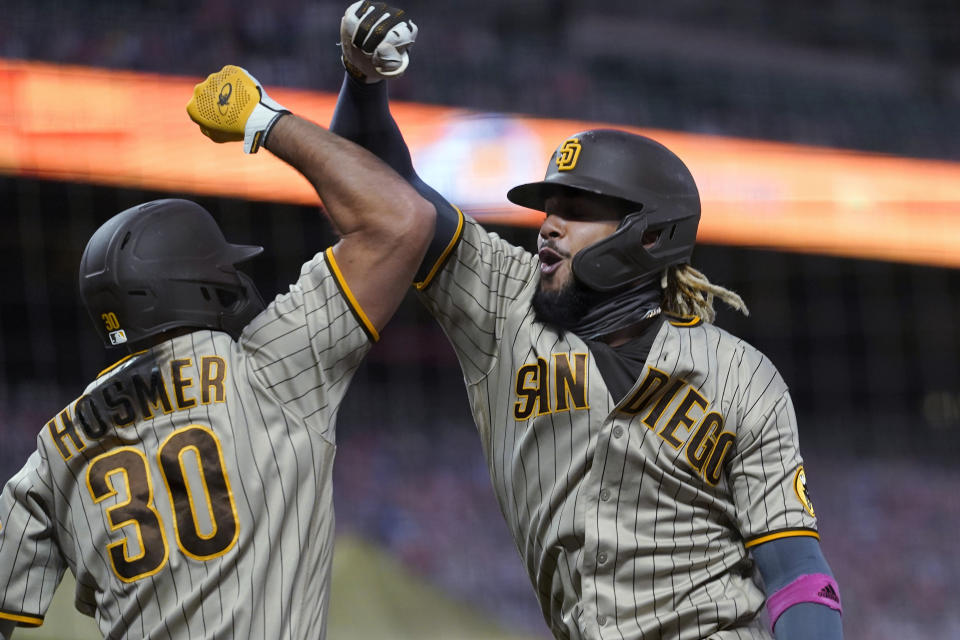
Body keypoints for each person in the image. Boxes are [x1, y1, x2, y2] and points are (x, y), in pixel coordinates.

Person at [330, 3, 844, 639]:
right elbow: (383, 194)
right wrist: (361, 80)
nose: (548, 223)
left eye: (576, 210)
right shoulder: (503, 304)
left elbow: (796, 571)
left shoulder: (742, 377)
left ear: (648, 237)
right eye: (549, 206)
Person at [0, 65, 434, 639]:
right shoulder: (271, 368)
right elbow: (402, 219)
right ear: (205, 288)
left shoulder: (55, 449)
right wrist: (265, 122)